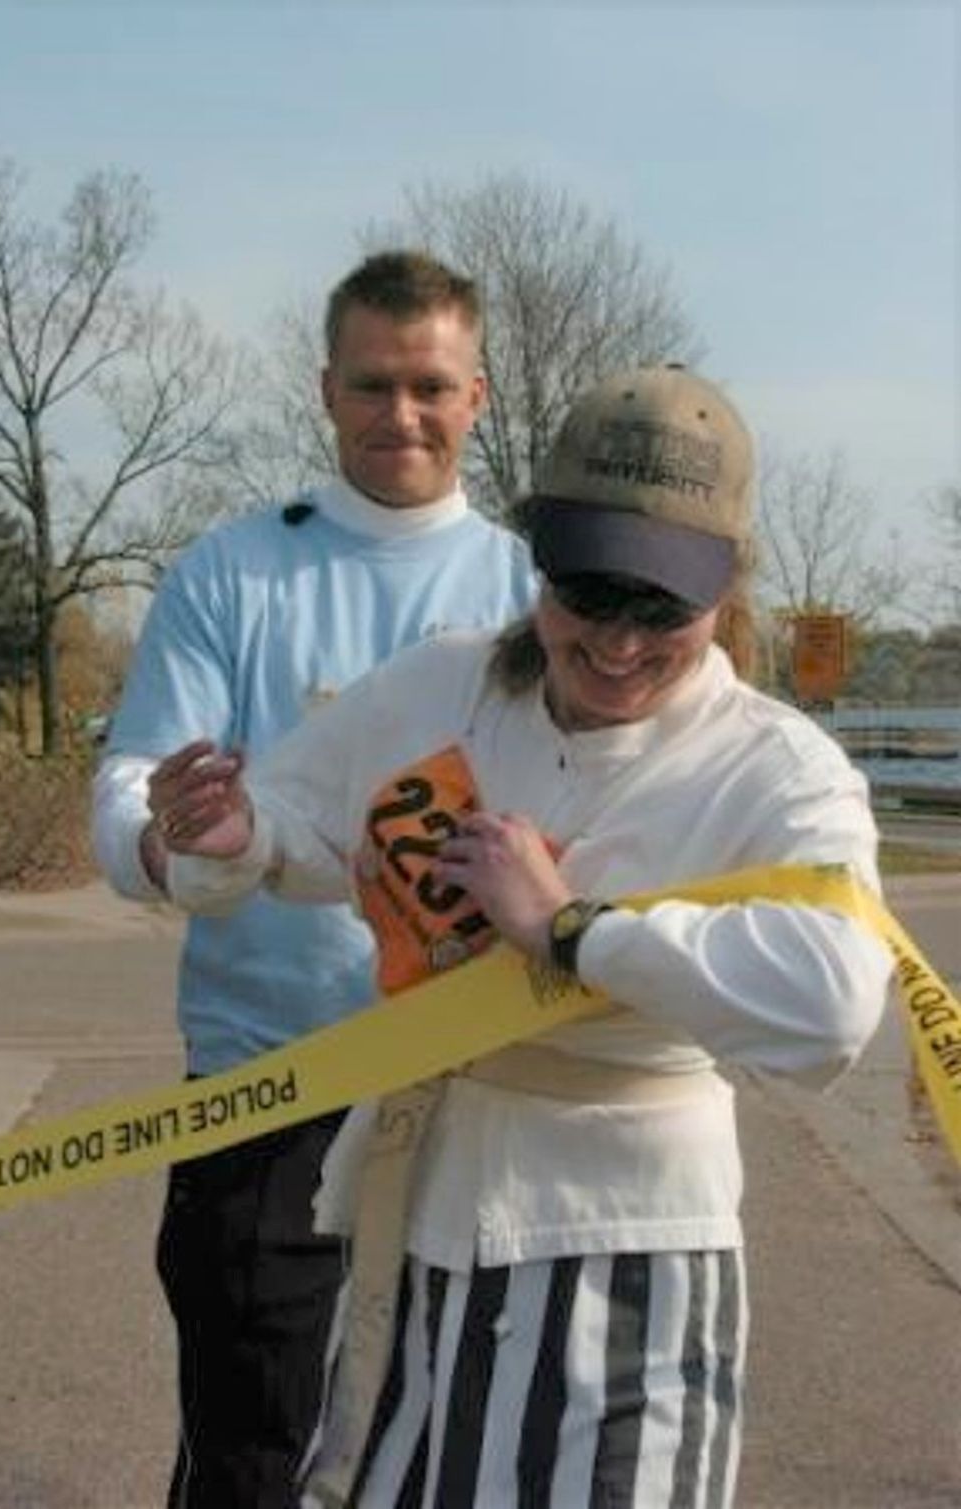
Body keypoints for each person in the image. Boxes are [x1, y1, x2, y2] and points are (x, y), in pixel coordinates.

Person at [158, 366, 893, 1508]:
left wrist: (570, 931)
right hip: (434, 1226)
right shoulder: (443, 685)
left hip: (631, 1244)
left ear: (728, 587)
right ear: (538, 560)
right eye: (586, 592)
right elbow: (298, 825)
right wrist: (232, 829)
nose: (615, 642)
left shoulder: (777, 769)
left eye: (661, 606)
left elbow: (830, 1003)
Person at [92, 250, 536, 1508]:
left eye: (431, 386)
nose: (402, 414)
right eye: (373, 384)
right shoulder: (232, 572)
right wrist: (171, 836)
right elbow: (131, 783)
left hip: (476, 1096)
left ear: (478, 396)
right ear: (325, 391)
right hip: (263, 1092)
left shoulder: (528, 592)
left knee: (452, 1454)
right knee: (255, 1455)